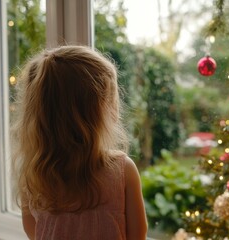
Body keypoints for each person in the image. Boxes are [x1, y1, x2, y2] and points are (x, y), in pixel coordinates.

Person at [11, 45, 148, 240]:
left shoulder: (33, 174)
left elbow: (34, 232)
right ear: (97, 110)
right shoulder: (122, 170)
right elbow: (138, 235)